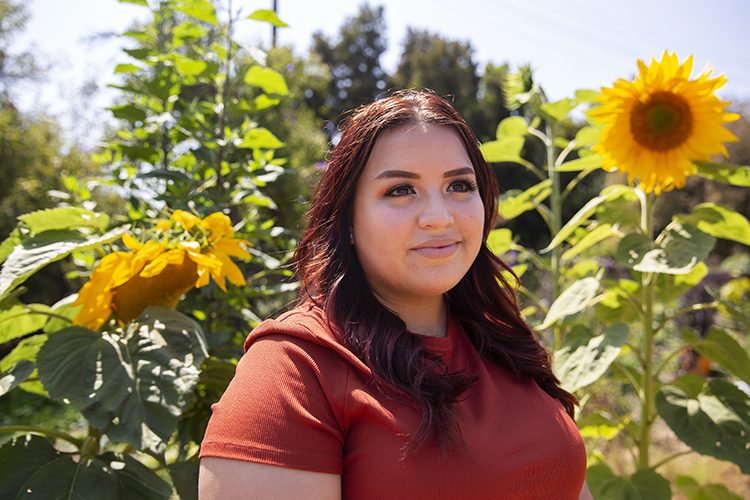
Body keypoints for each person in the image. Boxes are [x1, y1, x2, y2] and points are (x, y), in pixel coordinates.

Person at [199, 90, 593, 500]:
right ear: (348, 218)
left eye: (459, 184)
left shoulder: (504, 344)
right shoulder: (296, 370)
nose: (439, 217)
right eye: (401, 190)